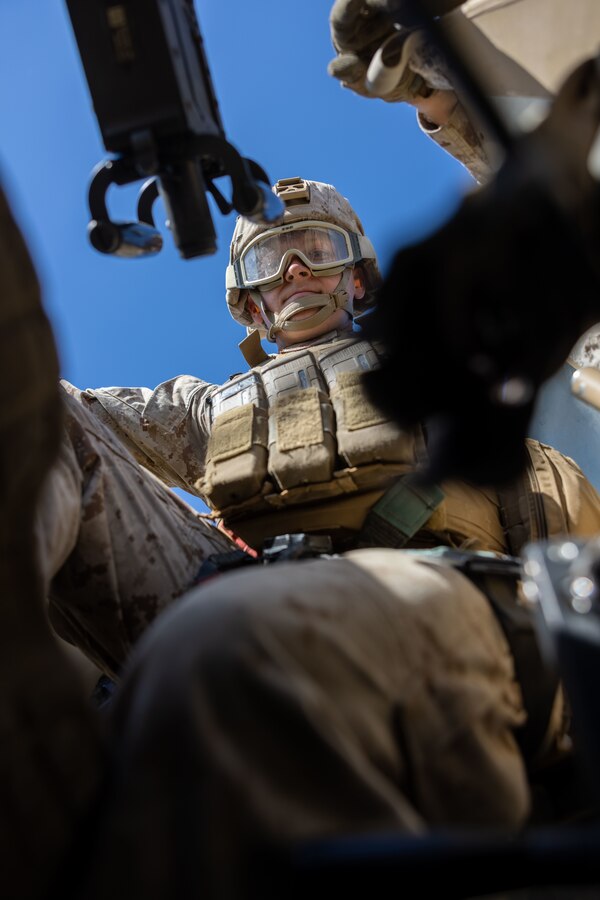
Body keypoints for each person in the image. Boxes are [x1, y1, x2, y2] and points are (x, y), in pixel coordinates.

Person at [3, 174, 600, 900]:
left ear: (357, 278)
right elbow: (45, 415)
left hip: (421, 590)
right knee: (33, 421)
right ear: (252, 303)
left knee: (224, 646)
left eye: (317, 250)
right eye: (271, 261)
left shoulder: (440, 369)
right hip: (222, 584)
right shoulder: (207, 410)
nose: (294, 271)